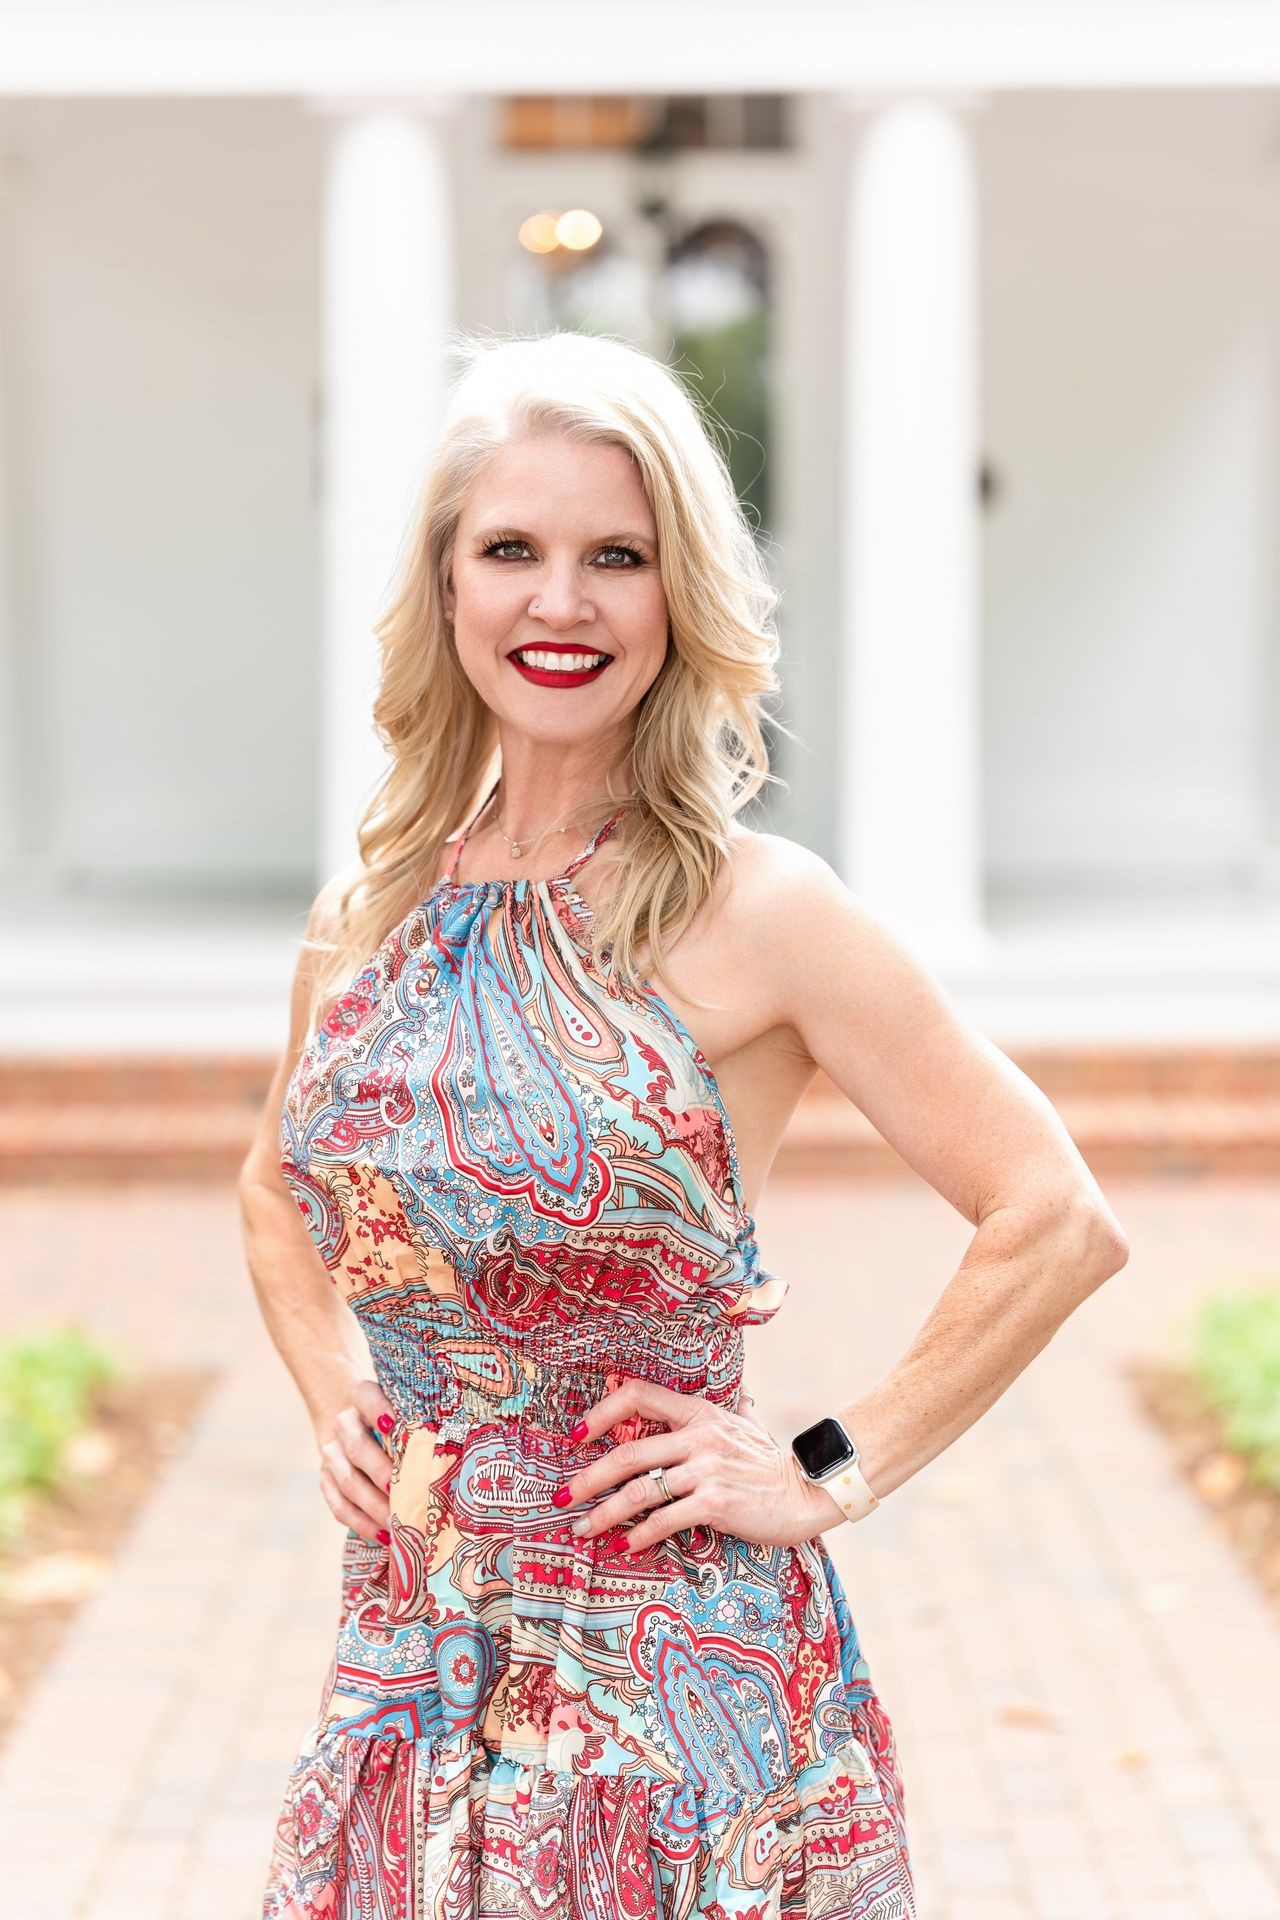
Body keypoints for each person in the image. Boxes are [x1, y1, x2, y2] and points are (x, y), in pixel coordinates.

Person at [242, 327, 1128, 1919]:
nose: (561, 602)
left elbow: (1056, 1214)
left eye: (619, 557)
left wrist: (826, 1467)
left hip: (671, 1692)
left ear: (682, 598)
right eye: (512, 549)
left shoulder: (762, 910)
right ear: (447, 586)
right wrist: (336, 1407)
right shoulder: (365, 911)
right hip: (411, 1654)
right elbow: (271, 1195)